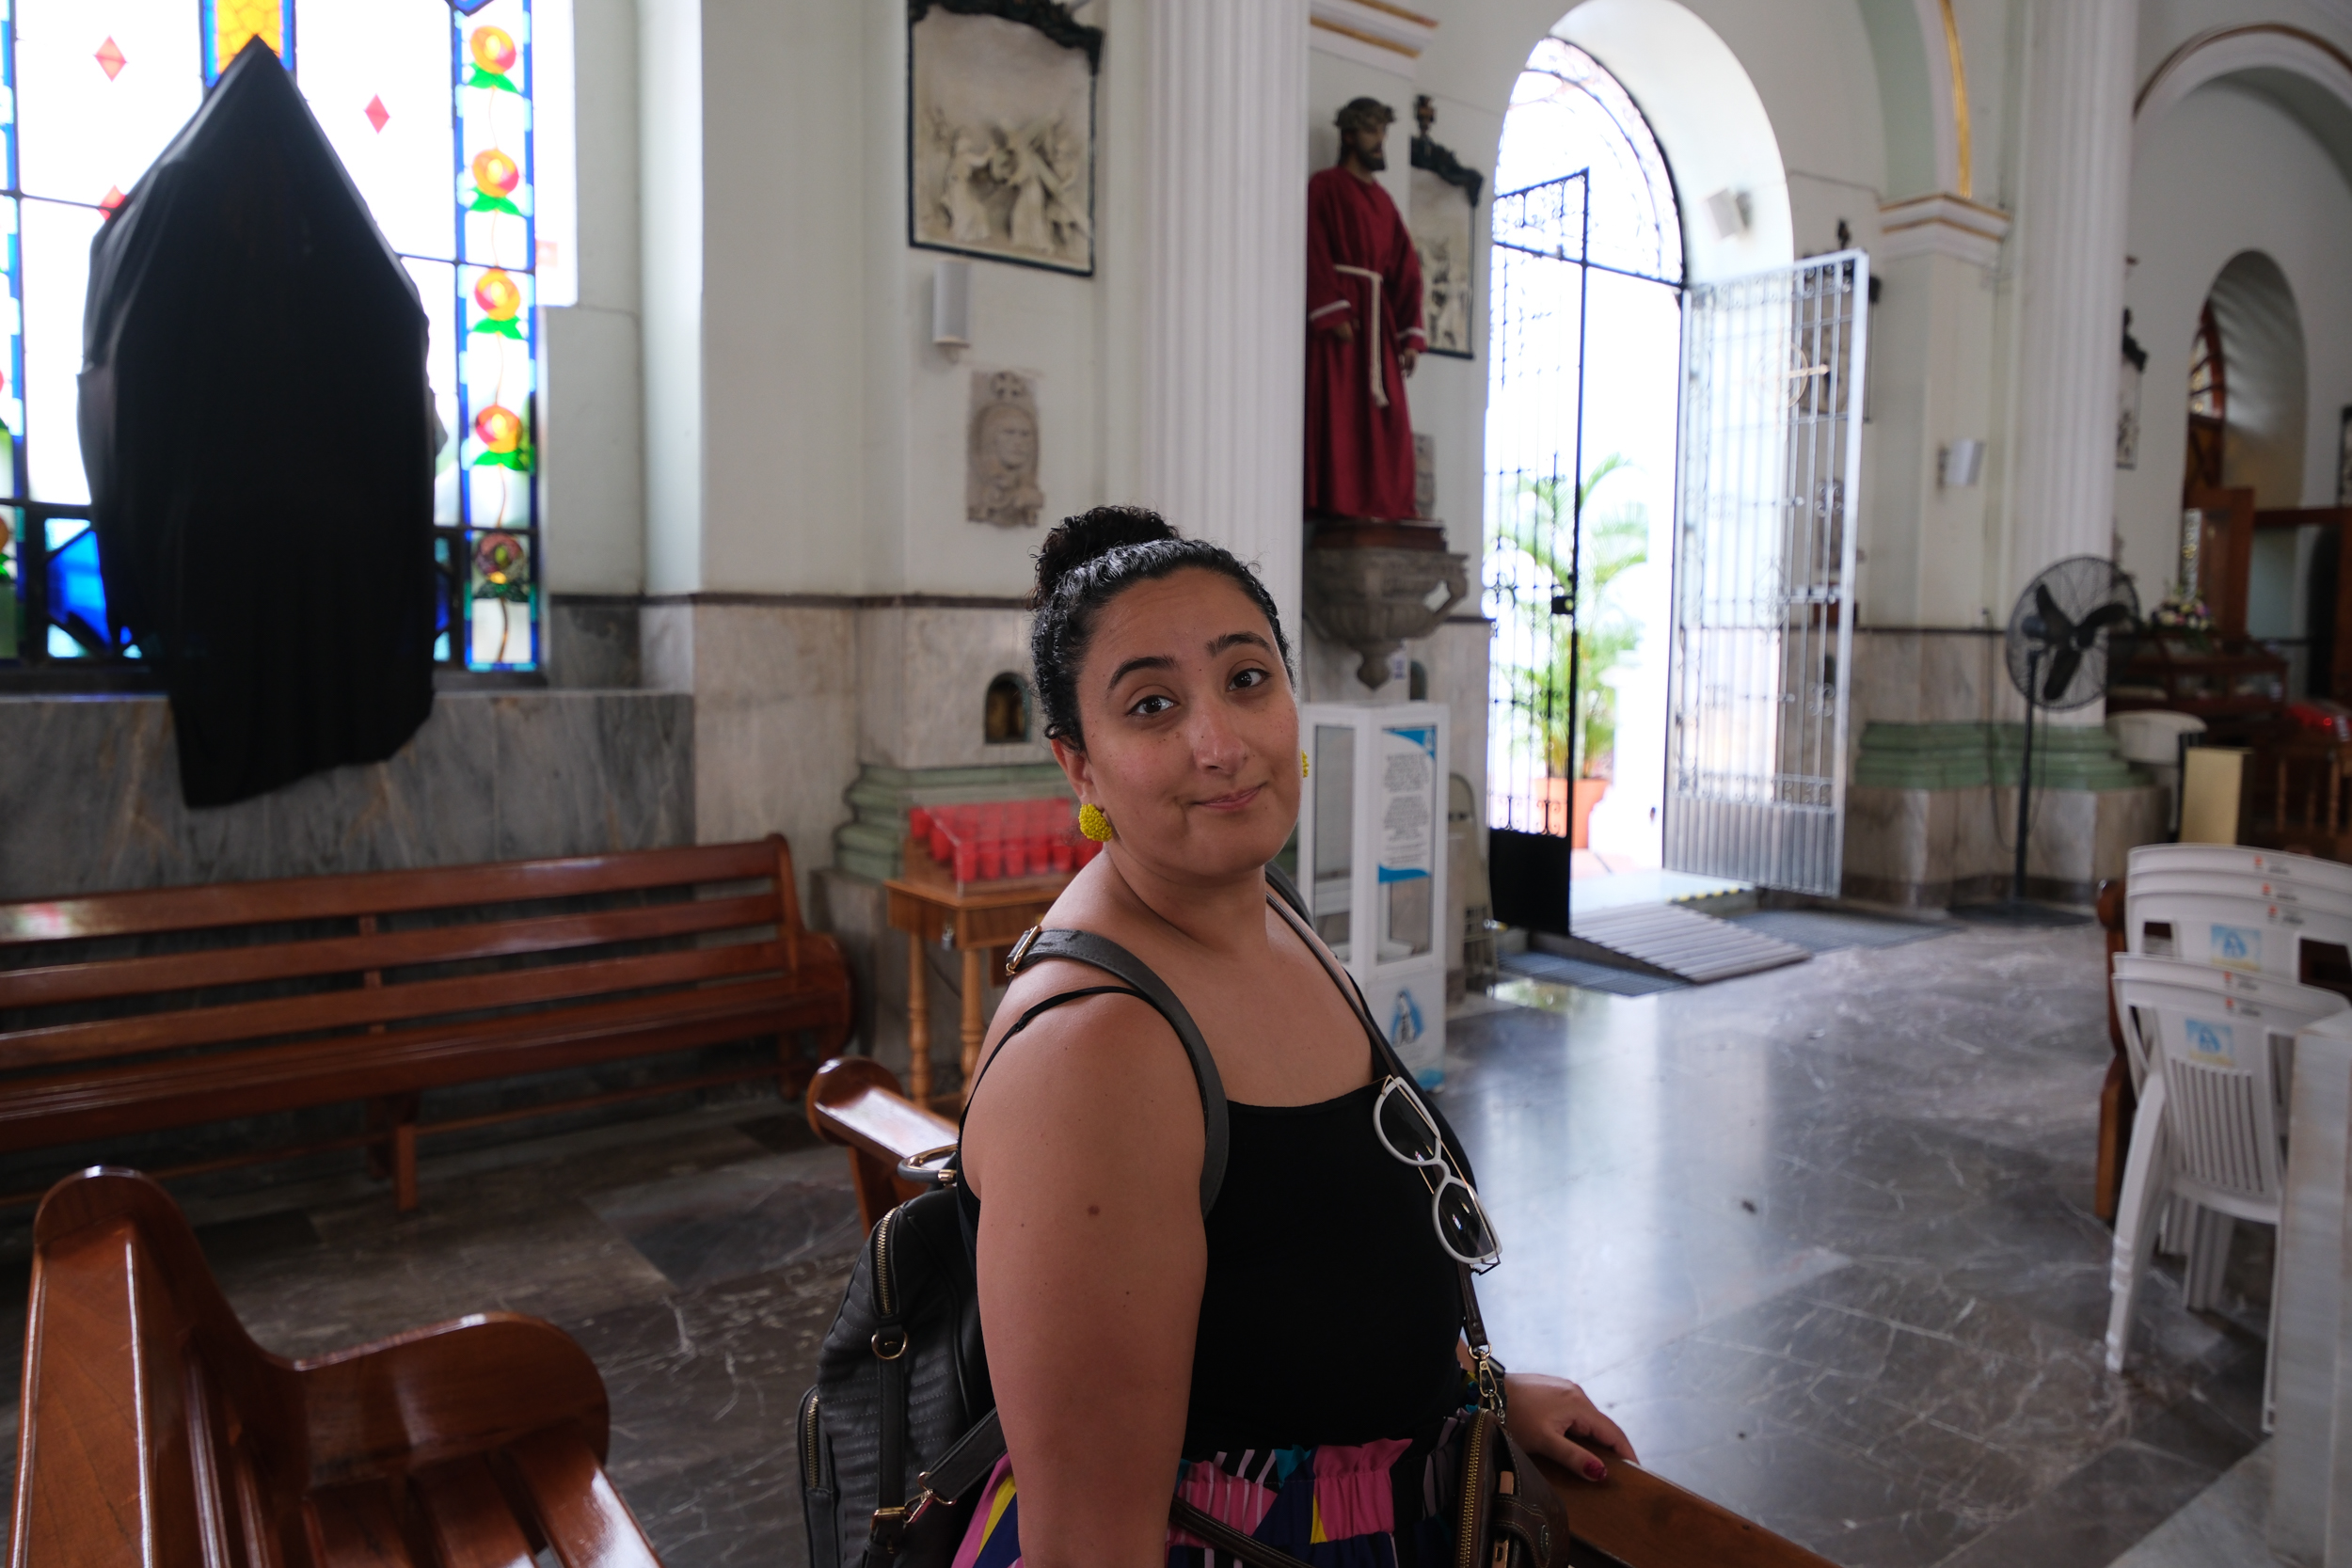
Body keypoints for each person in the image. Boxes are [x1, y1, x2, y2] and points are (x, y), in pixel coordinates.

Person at [954, 506, 1633, 1568]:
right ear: (1079, 766)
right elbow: (1089, 1545)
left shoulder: (1267, 911)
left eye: (1245, 679)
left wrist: (1465, 1390)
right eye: (1151, 705)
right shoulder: (1095, 1057)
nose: (1219, 744)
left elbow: (1302, 1260)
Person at [1307, 98, 1427, 522]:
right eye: (1373, 132)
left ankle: (1384, 503)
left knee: (1388, 420)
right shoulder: (1324, 187)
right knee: (1341, 414)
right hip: (1345, 324)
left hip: (1378, 324)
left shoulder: (1384, 203)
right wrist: (1332, 309)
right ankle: (1340, 504)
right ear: (1349, 135)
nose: (1380, 142)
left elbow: (1406, 270)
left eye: (1383, 133)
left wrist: (1409, 335)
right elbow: (1313, 247)